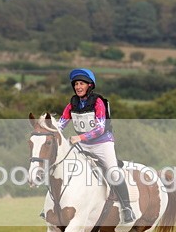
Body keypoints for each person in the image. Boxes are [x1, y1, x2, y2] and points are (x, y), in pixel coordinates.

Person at [57, 68, 135, 223]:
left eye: (82, 84)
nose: (78, 87)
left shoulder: (98, 103)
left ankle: (127, 208)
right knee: (62, 167)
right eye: (76, 84)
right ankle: (55, 206)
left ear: (90, 86)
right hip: (82, 145)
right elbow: (61, 125)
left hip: (102, 143)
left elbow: (100, 129)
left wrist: (79, 137)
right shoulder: (71, 104)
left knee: (113, 172)